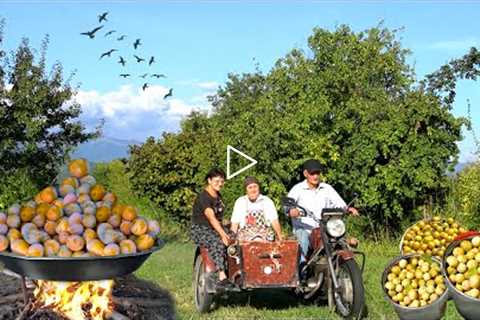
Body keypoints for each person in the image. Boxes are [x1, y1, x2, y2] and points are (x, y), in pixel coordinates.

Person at [286, 159, 359, 268]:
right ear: (305, 174)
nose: (315, 176)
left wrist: (348, 209)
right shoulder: (297, 189)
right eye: (312, 173)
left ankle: (346, 270)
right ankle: (300, 275)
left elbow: (339, 204)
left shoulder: (327, 188)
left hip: (324, 228)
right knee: (303, 243)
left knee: (341, 242)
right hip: (304, 229)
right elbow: (288, 205)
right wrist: (291, 211)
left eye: (318, 173)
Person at [190, 168, 233, 290]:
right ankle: (221, 276)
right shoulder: (204, 197)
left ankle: (236, 271)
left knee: (236, 237)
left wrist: (229, 227)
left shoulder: (218, 195)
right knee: (217, 241)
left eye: (222, 181)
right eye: (217, 181)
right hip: (200, 229)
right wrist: (223, 235)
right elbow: (211, 217)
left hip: (214, 227)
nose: (220, 184)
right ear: (209, 180)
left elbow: (219, 218)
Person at [230, 176, 283, 242]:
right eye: (250, 187)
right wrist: (232, 240)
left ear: (259, 188)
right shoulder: (240, 202)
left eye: (255, 187)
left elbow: (274, 221)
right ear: (246, 190)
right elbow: (235, 223)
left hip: (265, 236)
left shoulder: (267, 201)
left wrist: (280, 237)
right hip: (245, 236)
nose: (253, 190)